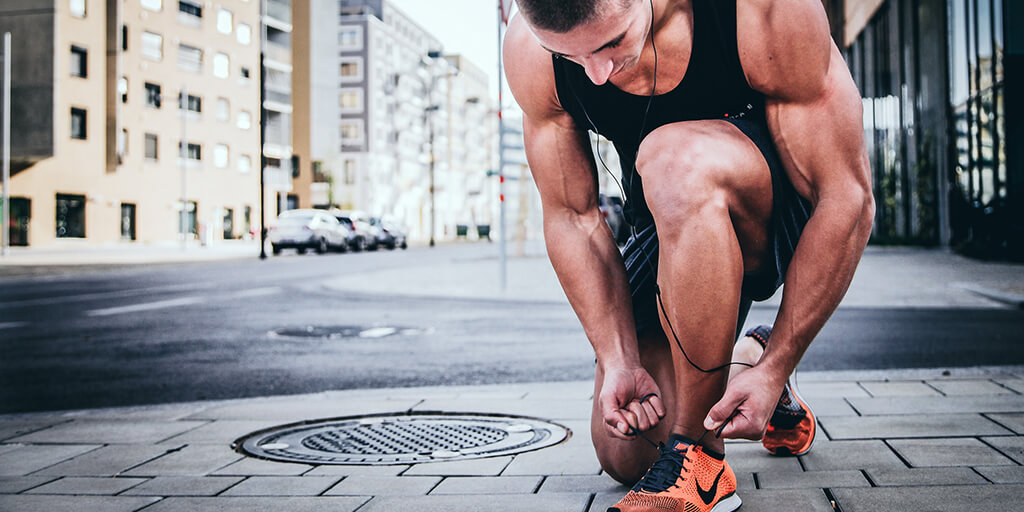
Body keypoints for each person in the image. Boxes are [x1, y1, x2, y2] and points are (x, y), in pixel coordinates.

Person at [503, 0, 874, 510]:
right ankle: (746, 358)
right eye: (569, 56)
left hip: (775, 214)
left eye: (611, 43)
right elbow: (573, 217)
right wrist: (618, 359)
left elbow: (846, 196)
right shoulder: (528, 50)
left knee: (673, 158)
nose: (595, 73)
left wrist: (784, 359)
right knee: (626, 452)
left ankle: (701, 460)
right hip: (670, 227)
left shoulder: (761, 11)